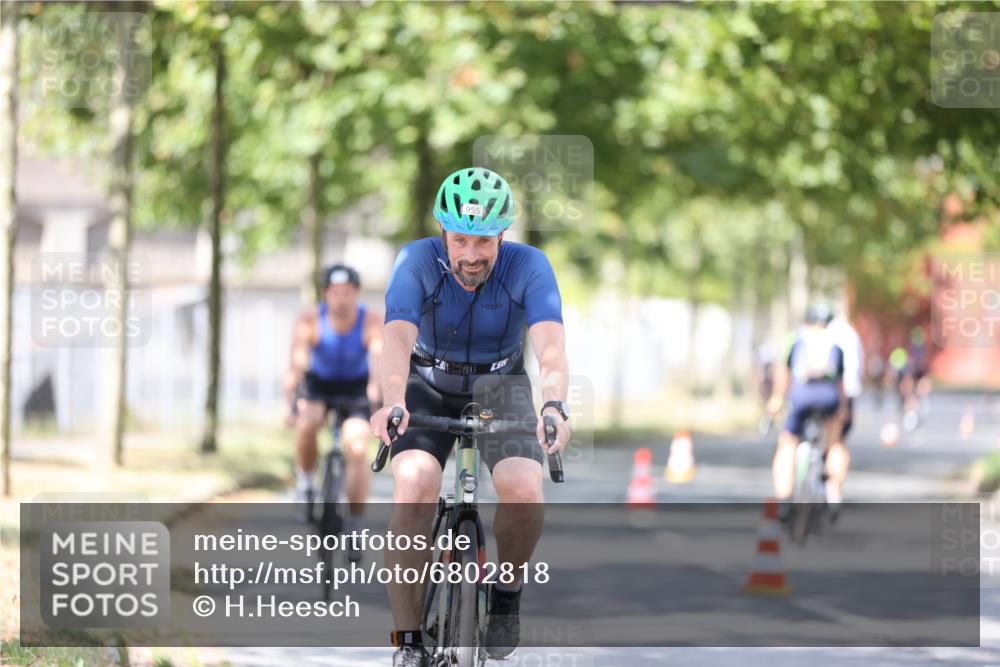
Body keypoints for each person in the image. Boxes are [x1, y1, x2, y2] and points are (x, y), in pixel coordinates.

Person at [369, 167, 571, 667]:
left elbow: (550, 345)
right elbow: (396, 336)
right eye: (460, 240)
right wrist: (393, 398)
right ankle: (409, 642)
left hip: (501, 386)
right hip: (427, 385)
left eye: (484, 242)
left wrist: (553, 404)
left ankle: (507, 587)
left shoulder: (530, 265)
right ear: (444, 232)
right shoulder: (415, 261)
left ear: (502, 235)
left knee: (524, 489)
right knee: (414, 484)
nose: (472, 255)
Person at [285, 264, 383, 543]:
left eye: (348, 293)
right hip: (320, 385)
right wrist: (292, 402)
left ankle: (356, 522)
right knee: (307, 423)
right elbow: (297, 364)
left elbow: (378, 362)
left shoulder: (371, 321)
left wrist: (377, 399)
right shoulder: (310, 320)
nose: (342, 299)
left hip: (356, 388)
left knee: (357, 445)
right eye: (336, 293)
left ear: (357, 294)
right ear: (326, 294)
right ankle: (305, 485)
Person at [766, 303, 847, 520]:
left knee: (787, 443)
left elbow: (784, 374)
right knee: (835, 444)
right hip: (829, 397)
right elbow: (840, 383)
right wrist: (843, 410)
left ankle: (783, 498)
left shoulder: (795, 340)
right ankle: (833, 494)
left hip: (801, 397)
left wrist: (776, 400)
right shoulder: (836, 344)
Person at [826, 312, 862, 509]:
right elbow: (857, 370)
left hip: (810, 392)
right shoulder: (851, 334)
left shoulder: (809, 334)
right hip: (845, 393)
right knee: (838, 442)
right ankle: (834, 492)